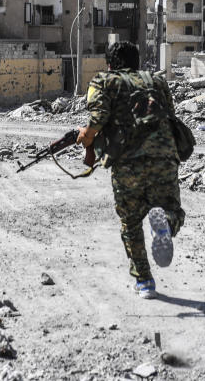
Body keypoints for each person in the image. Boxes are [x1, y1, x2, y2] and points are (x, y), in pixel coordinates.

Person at [76, 41, 185, 299]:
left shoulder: (105, 80)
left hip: (128, 162)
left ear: (110, 64)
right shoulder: (157, 80)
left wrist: (86, 136)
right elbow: (169, 115)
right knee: (172, 208)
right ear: (137, 62)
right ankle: (166, 225)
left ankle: (145, 281)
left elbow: (98, 117)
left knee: (131, 221)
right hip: (164, 156)